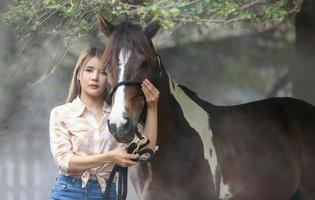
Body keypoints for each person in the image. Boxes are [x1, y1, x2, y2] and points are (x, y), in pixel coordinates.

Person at [49, 47, 159, 200]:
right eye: (89, 70)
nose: (95, 77)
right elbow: (66, 162)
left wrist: (152, 107)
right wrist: (111, 156)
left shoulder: (119, 116)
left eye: (103, 72)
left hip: (106, 193)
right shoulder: (61, 113)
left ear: (111, 78)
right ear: (79, 75)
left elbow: (147, 149)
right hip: (68, 192)